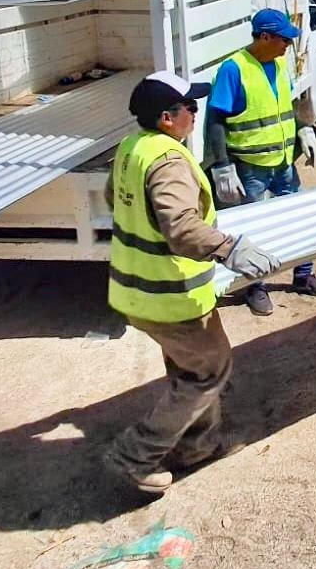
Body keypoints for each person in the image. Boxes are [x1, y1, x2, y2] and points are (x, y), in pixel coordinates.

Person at [104, 71, 279, 495]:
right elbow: (180, 227)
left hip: (137, 289)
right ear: (168, 117)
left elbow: (113, 197)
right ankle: (135, 454)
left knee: (191, 367)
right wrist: (229, 249)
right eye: (190, 108)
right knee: (208, 372)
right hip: (169, 296)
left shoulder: (132, 148)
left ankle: (200, 446)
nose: (196, 114)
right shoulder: (168, 161)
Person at [203, 8, 316, 316]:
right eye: (283, 40)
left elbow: (288, 104)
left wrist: (303, 128)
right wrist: (222, 165)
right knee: (255, 229)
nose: (287, 45)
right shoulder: (233, 70)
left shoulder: (277, 64)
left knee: (299, 217)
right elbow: (215, 120)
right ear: (264, 36)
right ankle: (255, 286)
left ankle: (303, 275)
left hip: (283, 163)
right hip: (251, 167)